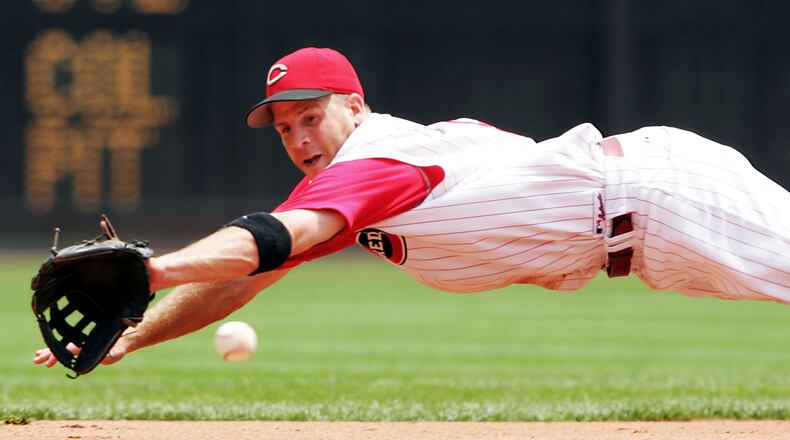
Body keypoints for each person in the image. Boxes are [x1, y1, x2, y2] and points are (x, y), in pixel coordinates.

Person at [34, 47, 790, 369]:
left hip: (662, 198)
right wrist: (137, 331)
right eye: (285, 125)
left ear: (355, 107)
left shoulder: (379, 161)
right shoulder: (355, 176)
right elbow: (251, 274)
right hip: (647, 235)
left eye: (312, 114)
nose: (299, 136)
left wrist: (155, 269)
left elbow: (272, 238)